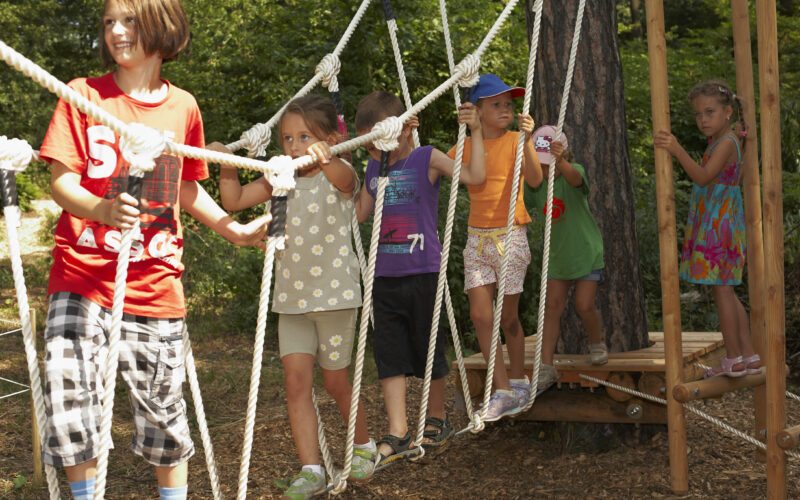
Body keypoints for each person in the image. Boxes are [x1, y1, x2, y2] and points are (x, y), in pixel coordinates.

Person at [37, 1, 271, 499]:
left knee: (163, 415)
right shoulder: (83, 95)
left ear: (162, 28)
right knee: (69, 400)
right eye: (108, 22)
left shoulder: (182, 107)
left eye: (128, 20)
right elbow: (62, 182)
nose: (116, 31)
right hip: (81, 276)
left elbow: (185, 187)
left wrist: (236, 230)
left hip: (153, 282)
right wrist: (99, 209)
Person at [209, 94, 376, 499]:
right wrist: (227, 164)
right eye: (287, 138)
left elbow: (346, 181)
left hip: (335, 298)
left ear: (330, 138)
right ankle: (311, 468)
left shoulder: (337, 171)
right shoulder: (278, 178)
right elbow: (233, 202)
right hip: (291, 300)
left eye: (305, 137)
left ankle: (363, 445)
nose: (295, 146)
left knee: (335, 381)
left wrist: (326, 155)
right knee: (295, 383)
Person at [354, 90, 486, 464]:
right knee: (390, 353)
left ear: (404, 128)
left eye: (380, 140)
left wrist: (474, 131)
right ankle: (398, 430)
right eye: (369, 144)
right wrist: (352, 172)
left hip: (423, 272)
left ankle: (437, 417)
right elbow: (361, 212)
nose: (376, 150)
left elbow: (475, 177)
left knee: (429, 347)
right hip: (383, 277)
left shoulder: (425, 158)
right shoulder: (374, 168)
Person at [446, 74, 543, 421]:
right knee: (480, 315)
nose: (506, 109)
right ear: (478, 111)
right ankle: (501, 390)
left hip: (511, 236)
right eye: (496, 104)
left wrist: (529, 140)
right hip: (476, 238)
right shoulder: (465, 146)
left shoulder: (517, 140)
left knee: (509, 317)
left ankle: (518, 379)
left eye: (508, 104)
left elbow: (535, 180)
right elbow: (439, 167)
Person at [654, 80, 760, 378]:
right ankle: (748, 355)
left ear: (727, 112)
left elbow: (702, 177)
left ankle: (734, 358)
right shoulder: (725, 140)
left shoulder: (726, 143)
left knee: (722, 292)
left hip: (720, 226)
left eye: (710, 112)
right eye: (699, 114)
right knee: (727, 290)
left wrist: (677, 149)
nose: (703, 119)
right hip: (720, 223)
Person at [524, 126, 606, 391]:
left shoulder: (573, 172)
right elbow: (517, 203)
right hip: (557, 258)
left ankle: (597, 343)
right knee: (552, 309)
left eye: (551, 164)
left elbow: (576, 179)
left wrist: (561, 161)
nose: (548, 170)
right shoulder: (535, 186)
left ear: (564, 156)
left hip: (585, 251)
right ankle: (546, 366)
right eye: (542, 165)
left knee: (584, 305)